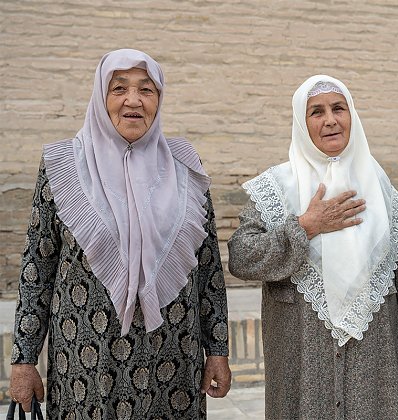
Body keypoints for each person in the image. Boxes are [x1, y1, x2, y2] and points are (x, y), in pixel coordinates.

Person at [9, 49, 231, 418]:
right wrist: (23, 360)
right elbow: (37, 267)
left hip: (173, 364)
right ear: (100, 97)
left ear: (159, 99)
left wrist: (218, 350)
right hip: (85, 368)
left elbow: (207, 268)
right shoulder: (63, 166)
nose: (133, 100)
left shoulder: (184, 166)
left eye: (147, 90)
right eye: (119, 88)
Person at [228, 75, 398, 419]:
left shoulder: (378, 187)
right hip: (303, 358)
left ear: (352, 115)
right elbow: (241, 257)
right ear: (301, 122)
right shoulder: (277, 188)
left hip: (376, 361)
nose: (330, 120)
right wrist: (305, 226)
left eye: (339, 108)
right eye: (316, 112)